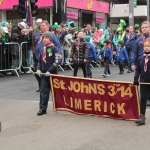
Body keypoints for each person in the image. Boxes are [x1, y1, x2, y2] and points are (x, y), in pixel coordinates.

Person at [29, 20, 62, 92]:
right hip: (39, 55)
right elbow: (30, 42)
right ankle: (41, 85)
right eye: (41, 25)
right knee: (36, 69)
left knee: (50, 71)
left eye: (43, 25)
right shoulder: (37, 34)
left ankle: (52, 87)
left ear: (47, 27)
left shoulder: (51, 35)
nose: (42, 27)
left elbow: (58, 44)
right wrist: (30, 32)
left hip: (49, 57)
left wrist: (60, 53)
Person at [36, 31, 59, 116]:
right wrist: (38, 69)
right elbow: (39, 61)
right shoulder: (42, 49)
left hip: (52, 75)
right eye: (43, 38)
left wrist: (50, 70)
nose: (44, 40)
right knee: (43, 91)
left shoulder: (54, 48)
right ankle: (42, 108)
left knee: (56, 92)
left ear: (50, 39)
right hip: (43, 74)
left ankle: (60, 106)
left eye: (46, 38)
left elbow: (56, 61)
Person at [133, 38, 150, 125]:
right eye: (145, 46)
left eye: (148, 46)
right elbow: (138, 70)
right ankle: (142, 116)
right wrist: (136, 78)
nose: (146, 48)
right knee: (143, 99)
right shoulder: (140, 58)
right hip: (143, 82)